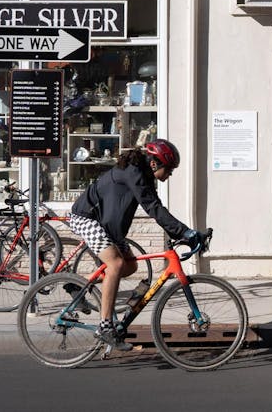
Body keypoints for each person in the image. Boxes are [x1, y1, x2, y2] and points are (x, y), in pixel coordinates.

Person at [68, 139, 202, 351]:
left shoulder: (142, 175)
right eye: (169, 170)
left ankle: (80, 287)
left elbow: (156, 206)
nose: (169, 176)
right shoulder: (134, 173)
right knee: (116, 265)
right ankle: (105, 327)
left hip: (107, 224)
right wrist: (184, 231)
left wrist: (182, 231)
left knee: (130, 266)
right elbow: (153, 208)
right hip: (86, 217)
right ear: (155, 164)